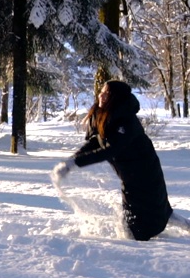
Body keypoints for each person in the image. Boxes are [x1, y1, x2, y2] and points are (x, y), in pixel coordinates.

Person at [53, 80, 178, 241]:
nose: (101, 95)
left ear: (116, 97)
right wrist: (72, 160)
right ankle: (178, 225)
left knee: (138, 220)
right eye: (102, 91)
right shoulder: (107, 115)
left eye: (107, 93)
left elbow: (111, 149)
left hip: (145, 172)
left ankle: (135, 249)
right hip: (130, 174)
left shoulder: (126, 120)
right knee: (150, 208)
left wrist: (75, 163)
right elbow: (96, 141)